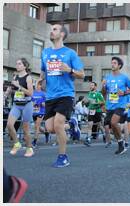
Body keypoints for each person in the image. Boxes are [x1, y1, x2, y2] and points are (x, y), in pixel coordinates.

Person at [38, 24, 85, 167]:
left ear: (62, 34)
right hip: (50, 96)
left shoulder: (70, 53)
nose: (51, 31)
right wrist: (40, 81)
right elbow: (43, 71)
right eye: (51, 29)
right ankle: (71, 124)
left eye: (55, 29)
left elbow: (82, 74)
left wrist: (70, 70)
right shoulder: (45, 52)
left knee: (58, 125)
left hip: (65, 94)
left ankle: (63, 157)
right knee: (50, 128)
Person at [101, 56, 130, 154]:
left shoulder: (124, 78)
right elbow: (103, 92)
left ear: (119, 65)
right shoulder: (107, 77)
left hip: (120, 104)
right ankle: (121, 143)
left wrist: (124, 93)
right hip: (110, 105)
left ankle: (122, 142)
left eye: (114, 63)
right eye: (112, 63)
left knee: (114, 122)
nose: (112, 64)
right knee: (112, 125)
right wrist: (103, 85)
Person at [4, 58, 34, 157]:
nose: (17, 65)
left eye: (19, 64)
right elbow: (11, 89)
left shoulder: (28, 77)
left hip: (26, 105)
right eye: (16, 64)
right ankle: (17, 144)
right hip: (16, 105)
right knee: (9, 125)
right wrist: (6, 94)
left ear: (24, 66)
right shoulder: (15, 77)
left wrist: (19, 86)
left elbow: (30, 93)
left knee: (26, 130)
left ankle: (29, 148)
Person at [84, 82, 105, 146]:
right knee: (90, 125)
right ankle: (88, 139)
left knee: (99, 125)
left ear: (95, 86)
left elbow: (103, 102)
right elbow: (88, 103)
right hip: (91, 111)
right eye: (90, 85)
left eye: (92, 85)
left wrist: (96, 102)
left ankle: (104, 135)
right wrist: (86, 103)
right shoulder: (89, 94)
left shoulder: (98, 94)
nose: (90, 86)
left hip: (97, 111)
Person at [31, 81, 50, 148]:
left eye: (37, 85)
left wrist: (40, 103)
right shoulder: (32, 93)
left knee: (36, 127)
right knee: (37, 127)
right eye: (35, 84)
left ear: (40, 86)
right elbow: (31, 102)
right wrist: (33, 104)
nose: (36, 86)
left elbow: (46, 104)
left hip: (41, 112)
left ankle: (34, 142)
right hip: (34, 112)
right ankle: (46, 133)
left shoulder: (43, 94)